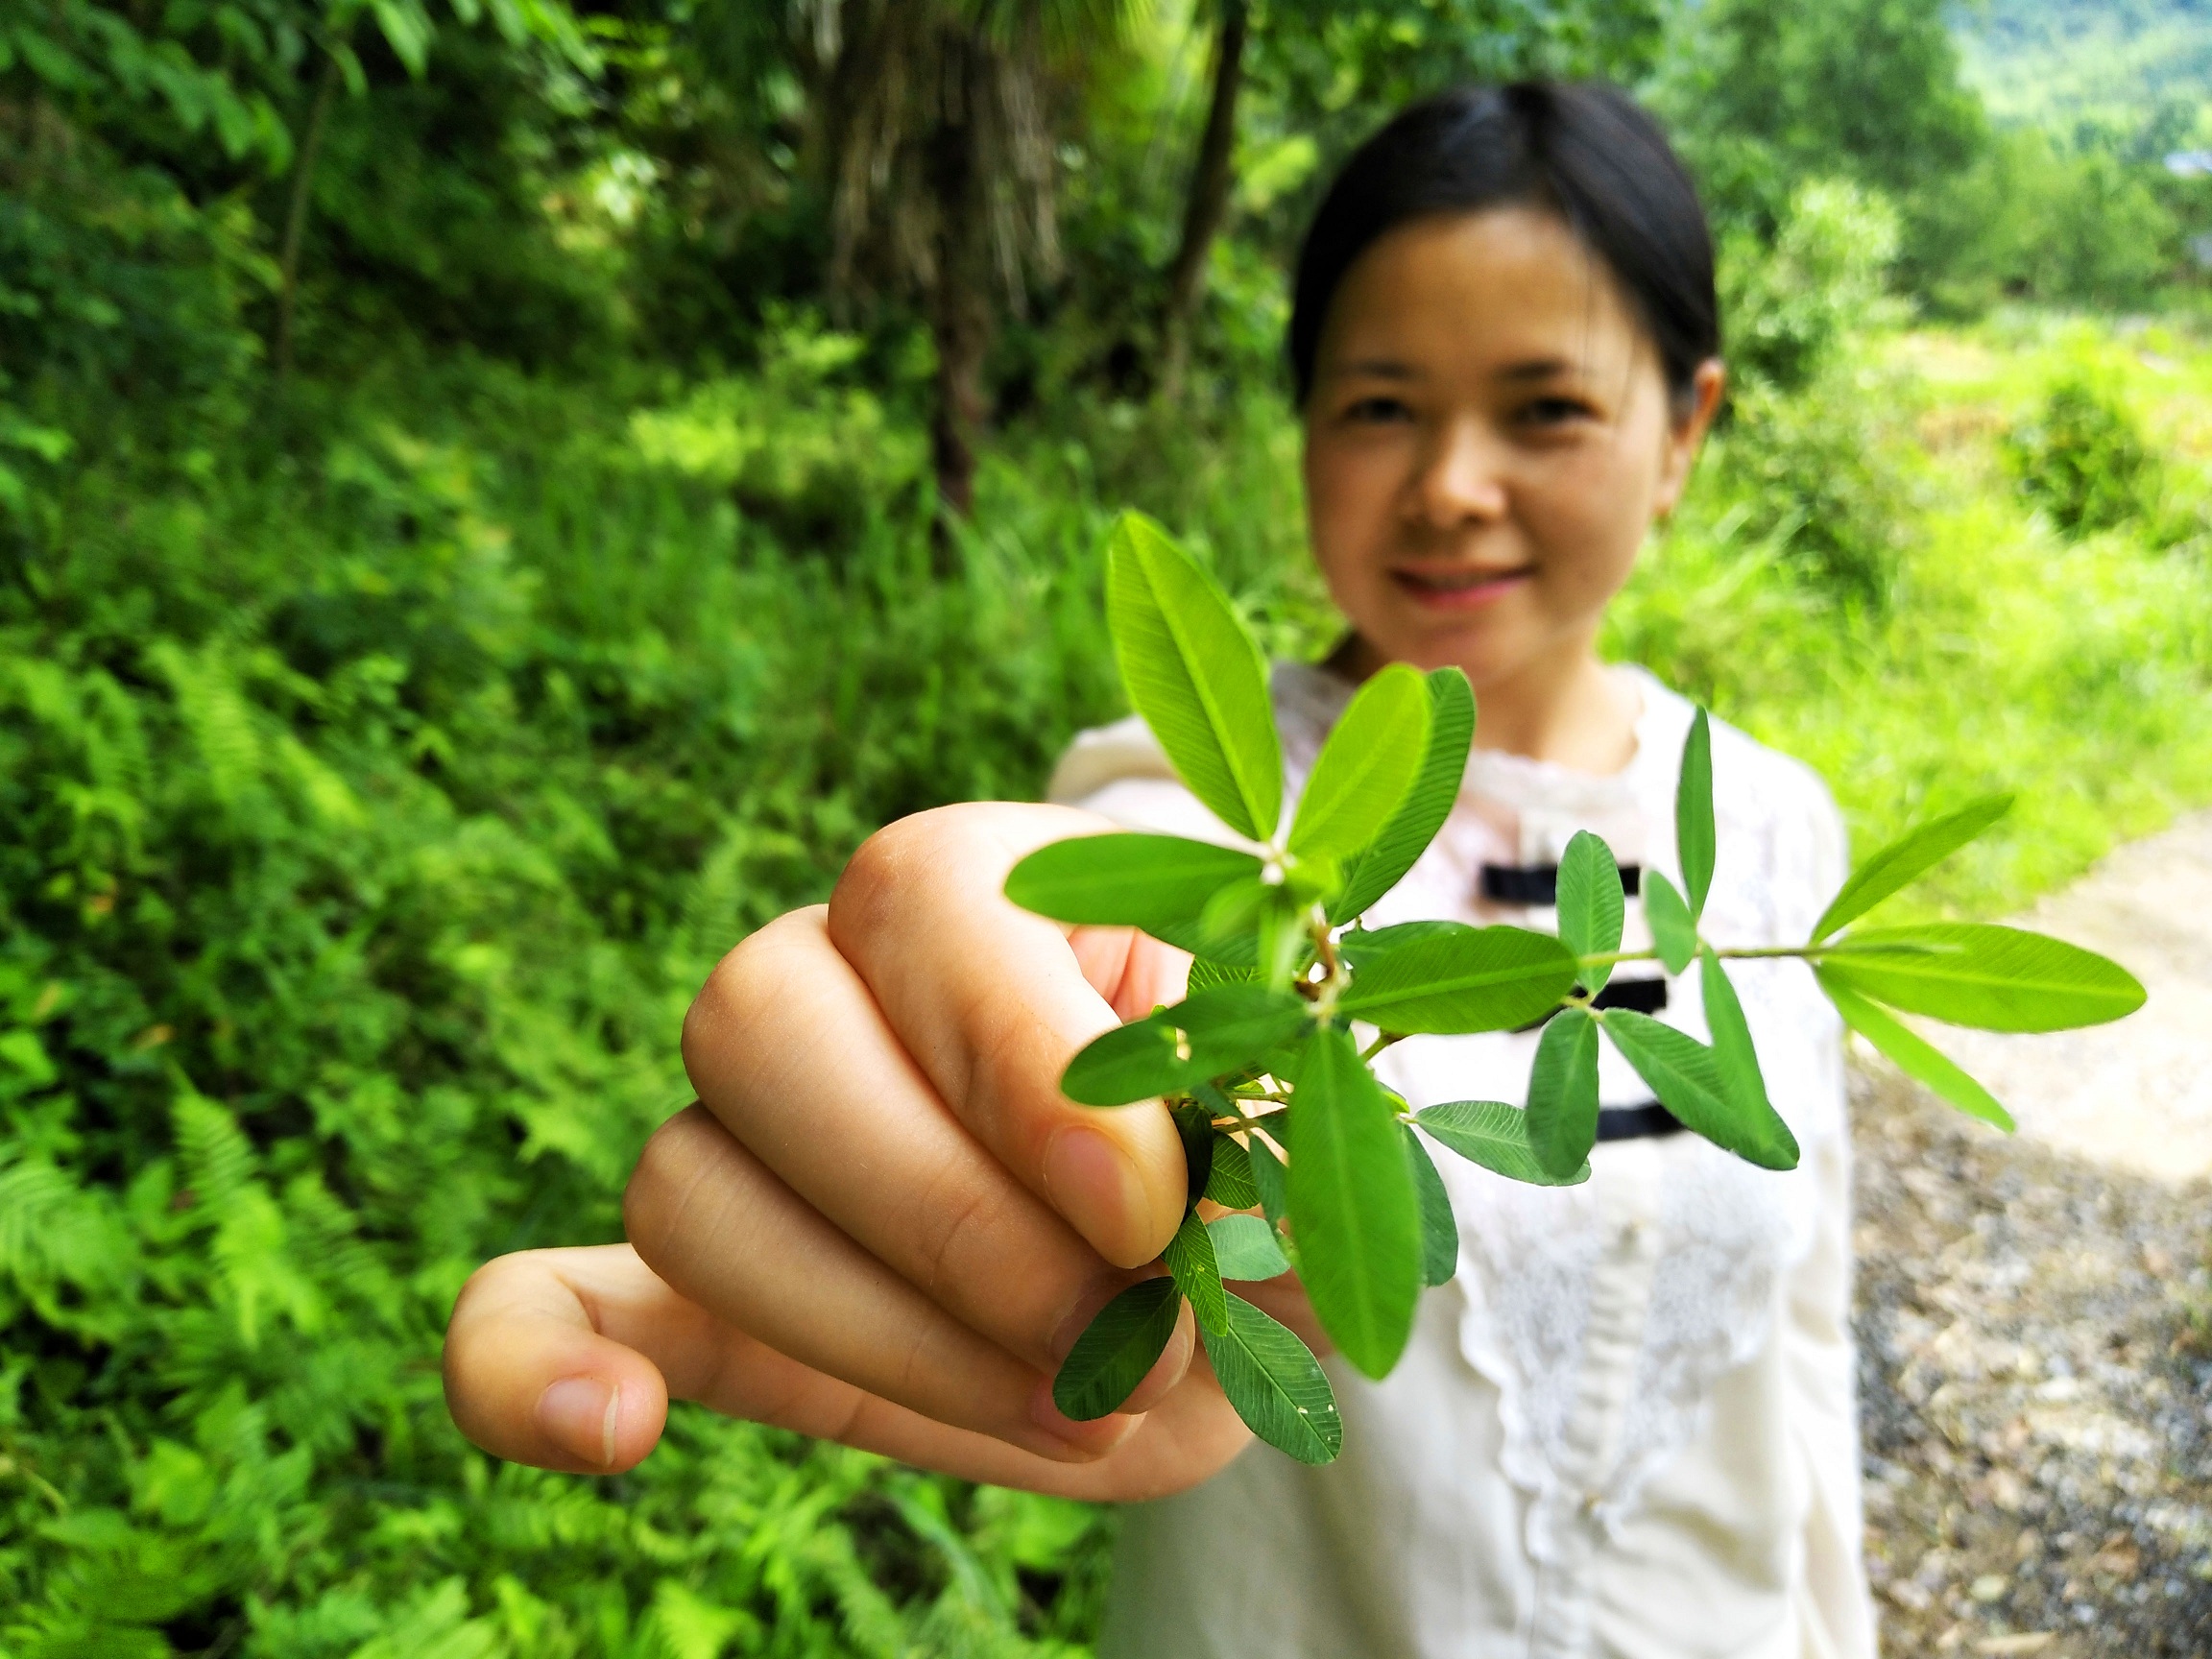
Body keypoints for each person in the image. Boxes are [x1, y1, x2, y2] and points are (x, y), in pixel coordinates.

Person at [443, 82, 1878, 1658]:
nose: (1454, 484)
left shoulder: (1774, 829)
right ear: (1305, 422)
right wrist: (983, 1047)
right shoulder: (1206, 808)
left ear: (1685, 430)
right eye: (1380, 403)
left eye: (1545, 409)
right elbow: (1092, 936)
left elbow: (1801, 1364)